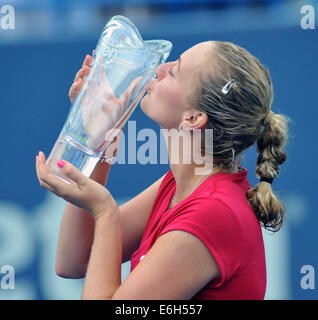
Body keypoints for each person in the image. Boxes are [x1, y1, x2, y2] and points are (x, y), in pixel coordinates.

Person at [35, 40, 289, 300]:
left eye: (175, 70)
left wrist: (105, 212)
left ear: (193, 118)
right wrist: (100, 139)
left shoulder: (213, 212)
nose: (159, 68)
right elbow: (73, 261)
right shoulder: (179, 187)